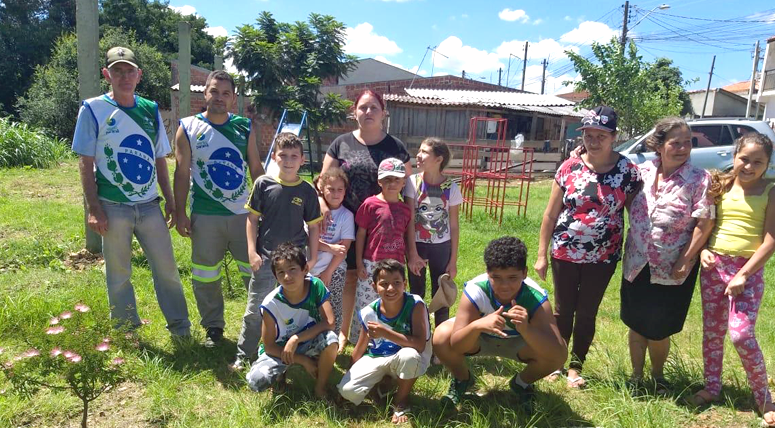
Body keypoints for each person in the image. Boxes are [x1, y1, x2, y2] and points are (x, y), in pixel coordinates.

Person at [72, 46, 190, 337]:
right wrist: (94, 209)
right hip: (112, 206)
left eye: (129, 71)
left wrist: (172, 203)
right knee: (119, 274)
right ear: (106, 74)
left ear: (139, 75)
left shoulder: (149, 109)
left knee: (167, 270)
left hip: (150, 206)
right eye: (117, 71)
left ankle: (180, 328)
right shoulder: (93, 109)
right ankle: (127, 331)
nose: (124, 76)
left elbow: (160, 159)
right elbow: (85, 163)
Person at [535, 106, 642, 388]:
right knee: (562, 309)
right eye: (589, 135)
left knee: (587, 311)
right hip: (564, 251)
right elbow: (550, 214)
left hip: (603, 256)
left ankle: (575, 367)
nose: (593, 142)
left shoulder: (628, 171)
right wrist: (541, 254)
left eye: (601, 136)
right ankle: (556, 361)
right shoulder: (569, 167)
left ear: (614, 137)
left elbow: (635, 215)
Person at [321, 89, 423, 348]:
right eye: (363, 107)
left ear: (383, 113)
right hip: (343, 223)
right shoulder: (340, 143)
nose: (368, 112)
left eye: (373, 108)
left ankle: (381, 333)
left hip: (383, 226)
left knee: (376, 279)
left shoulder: (395, 147)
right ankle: (344, 332)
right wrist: (322, 204)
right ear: (354, 112)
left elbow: (409, 190)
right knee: (348, 276)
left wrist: (409, 237)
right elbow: (323, 180)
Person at [620, 117, 715, 392]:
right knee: (637, 323)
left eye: (688, 143)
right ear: (659, 145)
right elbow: (609, 170)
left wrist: (685, 259)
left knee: (659, 327)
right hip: (637, 262)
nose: (683, 148)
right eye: (676, 142)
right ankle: (636, 377)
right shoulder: (640, 172)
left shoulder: (699, 179)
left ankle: (658, 377)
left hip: (673, 265)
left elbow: (704, 222)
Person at [173, 70, 264, 347]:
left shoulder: (244, 127)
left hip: (242, 216)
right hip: (205, 215)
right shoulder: (187, 127)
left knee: (255, 273)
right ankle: (213, 328)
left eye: (226, 93)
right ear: (205, 93)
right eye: (215, 91)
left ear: (234, 98)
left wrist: (265, 206)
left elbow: (256, 169)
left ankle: (259, 328)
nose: (219, 98)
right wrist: (179, 213)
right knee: (205, 274)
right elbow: (180, 172)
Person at [691, 133, 775, 428]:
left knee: (741, 334)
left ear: (767, 164)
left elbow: (770, 241)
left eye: (758, 162)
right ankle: (712, 387)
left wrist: (743, 274)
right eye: (744, 159)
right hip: (714, 267)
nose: (749, 167)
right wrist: (702, 252)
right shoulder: (721, 185)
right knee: (712, 332)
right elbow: (706, 225)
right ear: (734, 154)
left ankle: (764, 397)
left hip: (746, 272)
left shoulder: (771, 191)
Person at [432, 237, 567, 409]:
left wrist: (527, 329)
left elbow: (558, 352)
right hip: (480, 339)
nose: (504, 285)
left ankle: (522, 383)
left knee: (558, 353)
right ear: (487, 272)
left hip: (519, 343)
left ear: (525, 273)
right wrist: (477, 325)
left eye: (512, 277)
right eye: (496, 277)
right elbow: (457, 345)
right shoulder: (476, 290)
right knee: (441, 335)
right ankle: (462, 378)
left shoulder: (535, 297)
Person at [233, 133, 322, 369]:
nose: (289, 160)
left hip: (294, 263)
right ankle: (244, 355)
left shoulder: (307, 191)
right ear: (274, 157)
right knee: (255, 309)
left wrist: (311, 258)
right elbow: (252, 220)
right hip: (265, 259)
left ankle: (298, 351)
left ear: (303, 160)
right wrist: (252, 252)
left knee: (297, 308)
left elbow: (314, 227)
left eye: (294, 156)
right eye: (283, 155)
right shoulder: (263, 184)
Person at [338, 259, 431, 425]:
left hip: (404, 356)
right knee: (348, 391)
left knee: (410, 356)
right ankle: (381, 386)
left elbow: (419, 345)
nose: (390, 288)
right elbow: (360, 348)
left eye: (396, 283)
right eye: (384, 284)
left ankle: (401, 401)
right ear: (374, 287)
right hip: (378, 357)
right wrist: (347, 375)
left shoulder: (415, 305)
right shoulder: (369, 312)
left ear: (405, 284)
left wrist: (386, 333)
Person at [246, 243, 338, 397]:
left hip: (308, 341)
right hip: (281, 349)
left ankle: (320, 387)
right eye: (281, 272)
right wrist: (302, 360)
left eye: (292, 269)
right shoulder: (271, 304)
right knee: (256, 381)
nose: (287, 277)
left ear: (305, 269)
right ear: (276, 276)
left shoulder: (315, 286)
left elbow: (329, 322)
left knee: (331, 340)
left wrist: (296, 338)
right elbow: (269, 346)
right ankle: (281, 375)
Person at [352, 158, 413, 344]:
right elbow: (361, 233)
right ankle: (358, 340)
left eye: (396, 180)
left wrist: (408, 262)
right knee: (365, 302)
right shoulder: (370, 204)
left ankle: (389, 339)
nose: (392, 184)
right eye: (387, 180)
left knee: (393, 302)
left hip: (396, 265)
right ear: (379, 181)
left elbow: (405, 237)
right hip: (372, 263)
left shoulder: (405, 209)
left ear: (403, 182)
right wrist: (359, 262)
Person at [404, 137, 461, 328]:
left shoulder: (451, 187)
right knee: (416, 293)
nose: (418, 156)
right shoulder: (412, 183)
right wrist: (412, 254)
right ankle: (420, 335)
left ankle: (441, 341)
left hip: (442, 248)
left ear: (439, 159)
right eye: (419, 151)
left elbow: (454, 226)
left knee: (441, 293)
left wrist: (452, 261)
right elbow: (410, 220)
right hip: (417, 246)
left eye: (424, 152)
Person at [310, 167, 355, 345]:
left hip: (334, 271)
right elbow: (307, 239)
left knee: (333, 307)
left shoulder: (346, 216)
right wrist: (330, 247)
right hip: (310, 268)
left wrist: (329, 271)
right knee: (309, 307)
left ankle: (331, 343)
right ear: (322, 189)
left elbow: (343, 249)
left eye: (340, 189)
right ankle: (309, 342)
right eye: (331, 189)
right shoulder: (312, 210)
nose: (335, 193)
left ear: (345, 191)